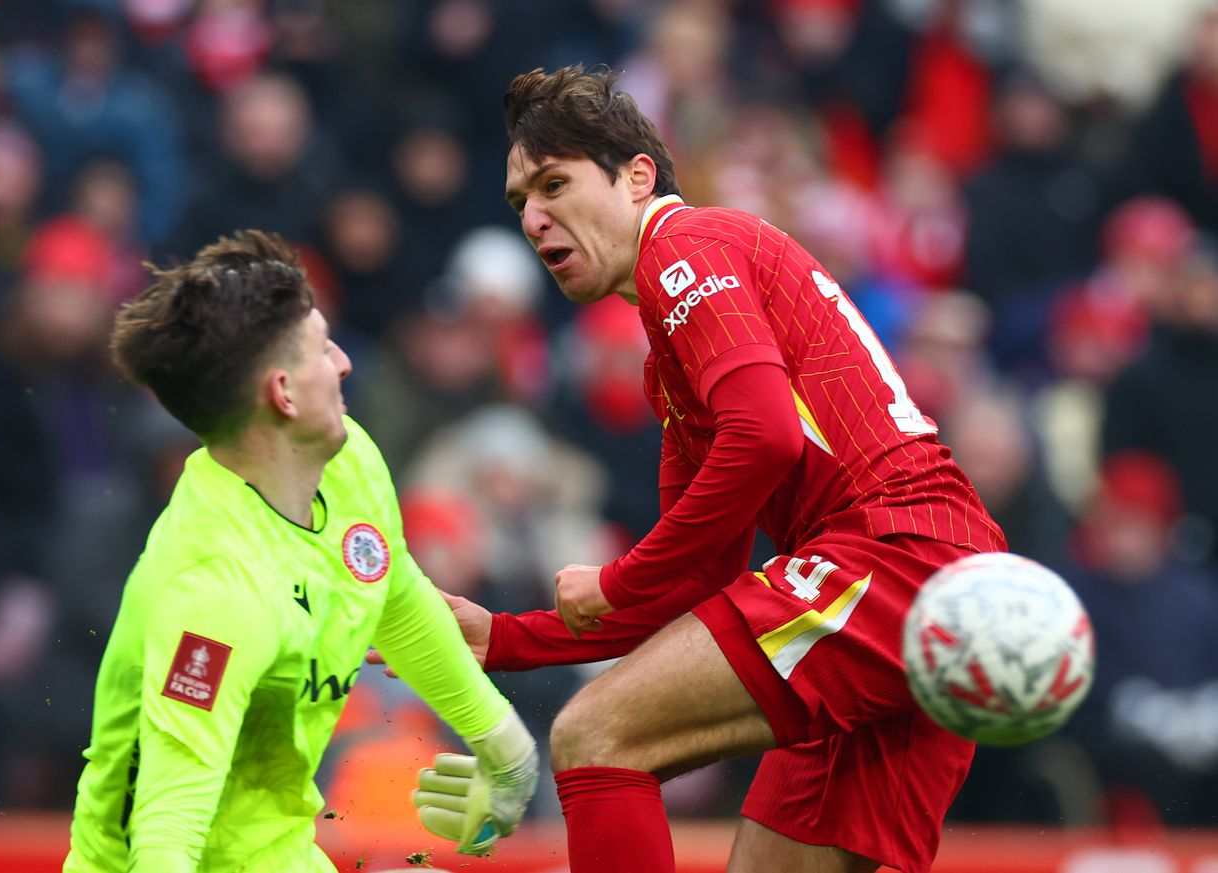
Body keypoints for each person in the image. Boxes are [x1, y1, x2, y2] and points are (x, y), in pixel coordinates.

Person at [425, 65, 1008, 873]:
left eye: (554, 184)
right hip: (920, 583)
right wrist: (503, 638)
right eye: (521, 201)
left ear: (637, 177)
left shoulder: (685, 247)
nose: (535, 218)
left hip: (892, 558)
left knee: (597, 737)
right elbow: (693, 583)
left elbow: (764, 437)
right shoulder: (672, 360)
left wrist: (619, 579)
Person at [62, 230, 537, 872]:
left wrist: (505, 747)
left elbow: (392, 594)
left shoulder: (349, 460)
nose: (344, 362)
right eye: (322, 348)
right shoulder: (214, 592)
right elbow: (167, 832)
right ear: (283, 393)